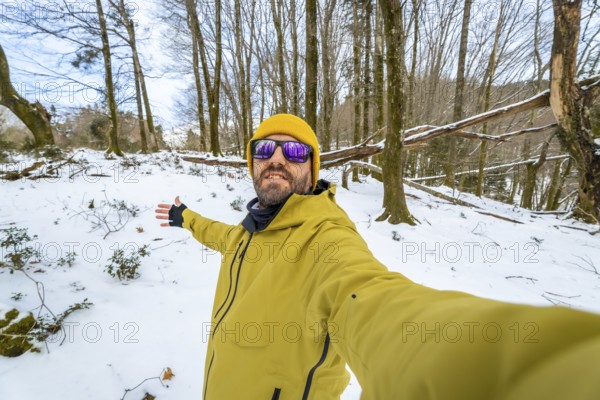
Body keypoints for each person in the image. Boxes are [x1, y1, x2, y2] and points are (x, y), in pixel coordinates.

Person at [156, 114, 600, 400]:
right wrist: (185, 218)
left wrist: (518, 368)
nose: (276, 159)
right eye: (263, 149)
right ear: (250, 163)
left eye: (293, 151)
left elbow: (369, 298)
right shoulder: (250, 231)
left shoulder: (325, 236)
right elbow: (221, 237)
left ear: (312, 167)